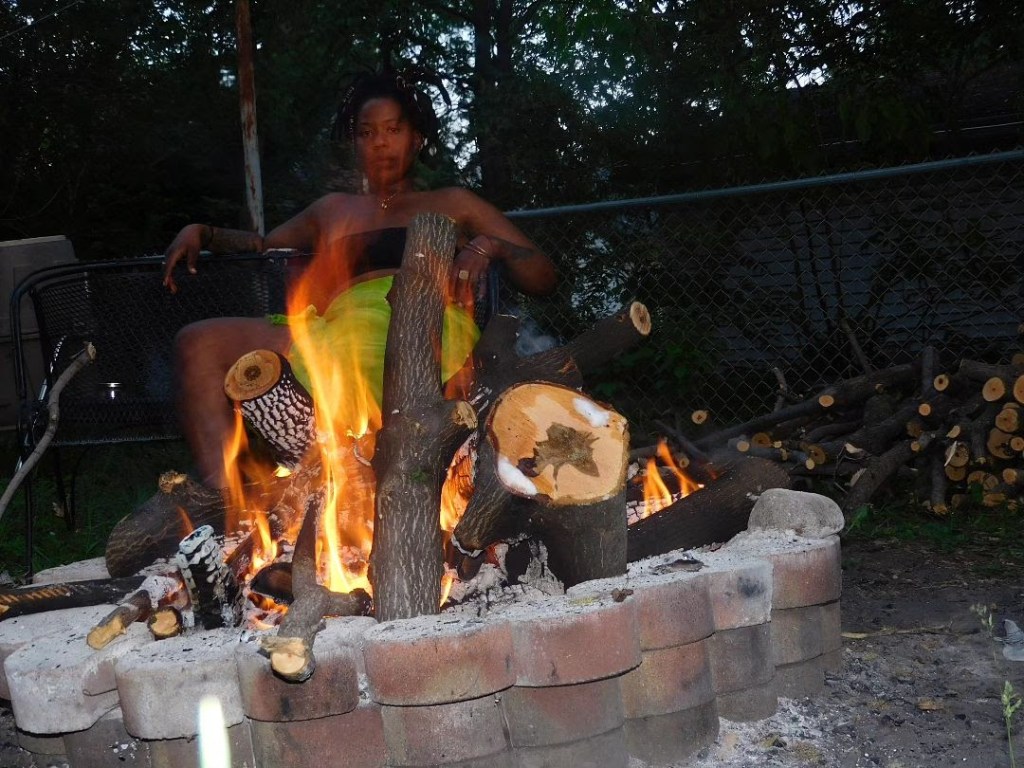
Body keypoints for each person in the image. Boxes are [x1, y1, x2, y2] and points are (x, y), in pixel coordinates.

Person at [162, 70, 557, 490]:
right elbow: (262, 245)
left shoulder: (452, 203)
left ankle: (381, 457)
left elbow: (543, 275)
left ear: (417, 139)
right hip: (334, 334)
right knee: (197, 342)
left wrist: (487, 246)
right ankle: (225, 499)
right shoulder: (332, 209)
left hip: (423, 335)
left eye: (393, 129)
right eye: (367, 133)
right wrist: (203, 233)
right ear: (355, 144)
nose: (381, 142)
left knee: (389, 351)